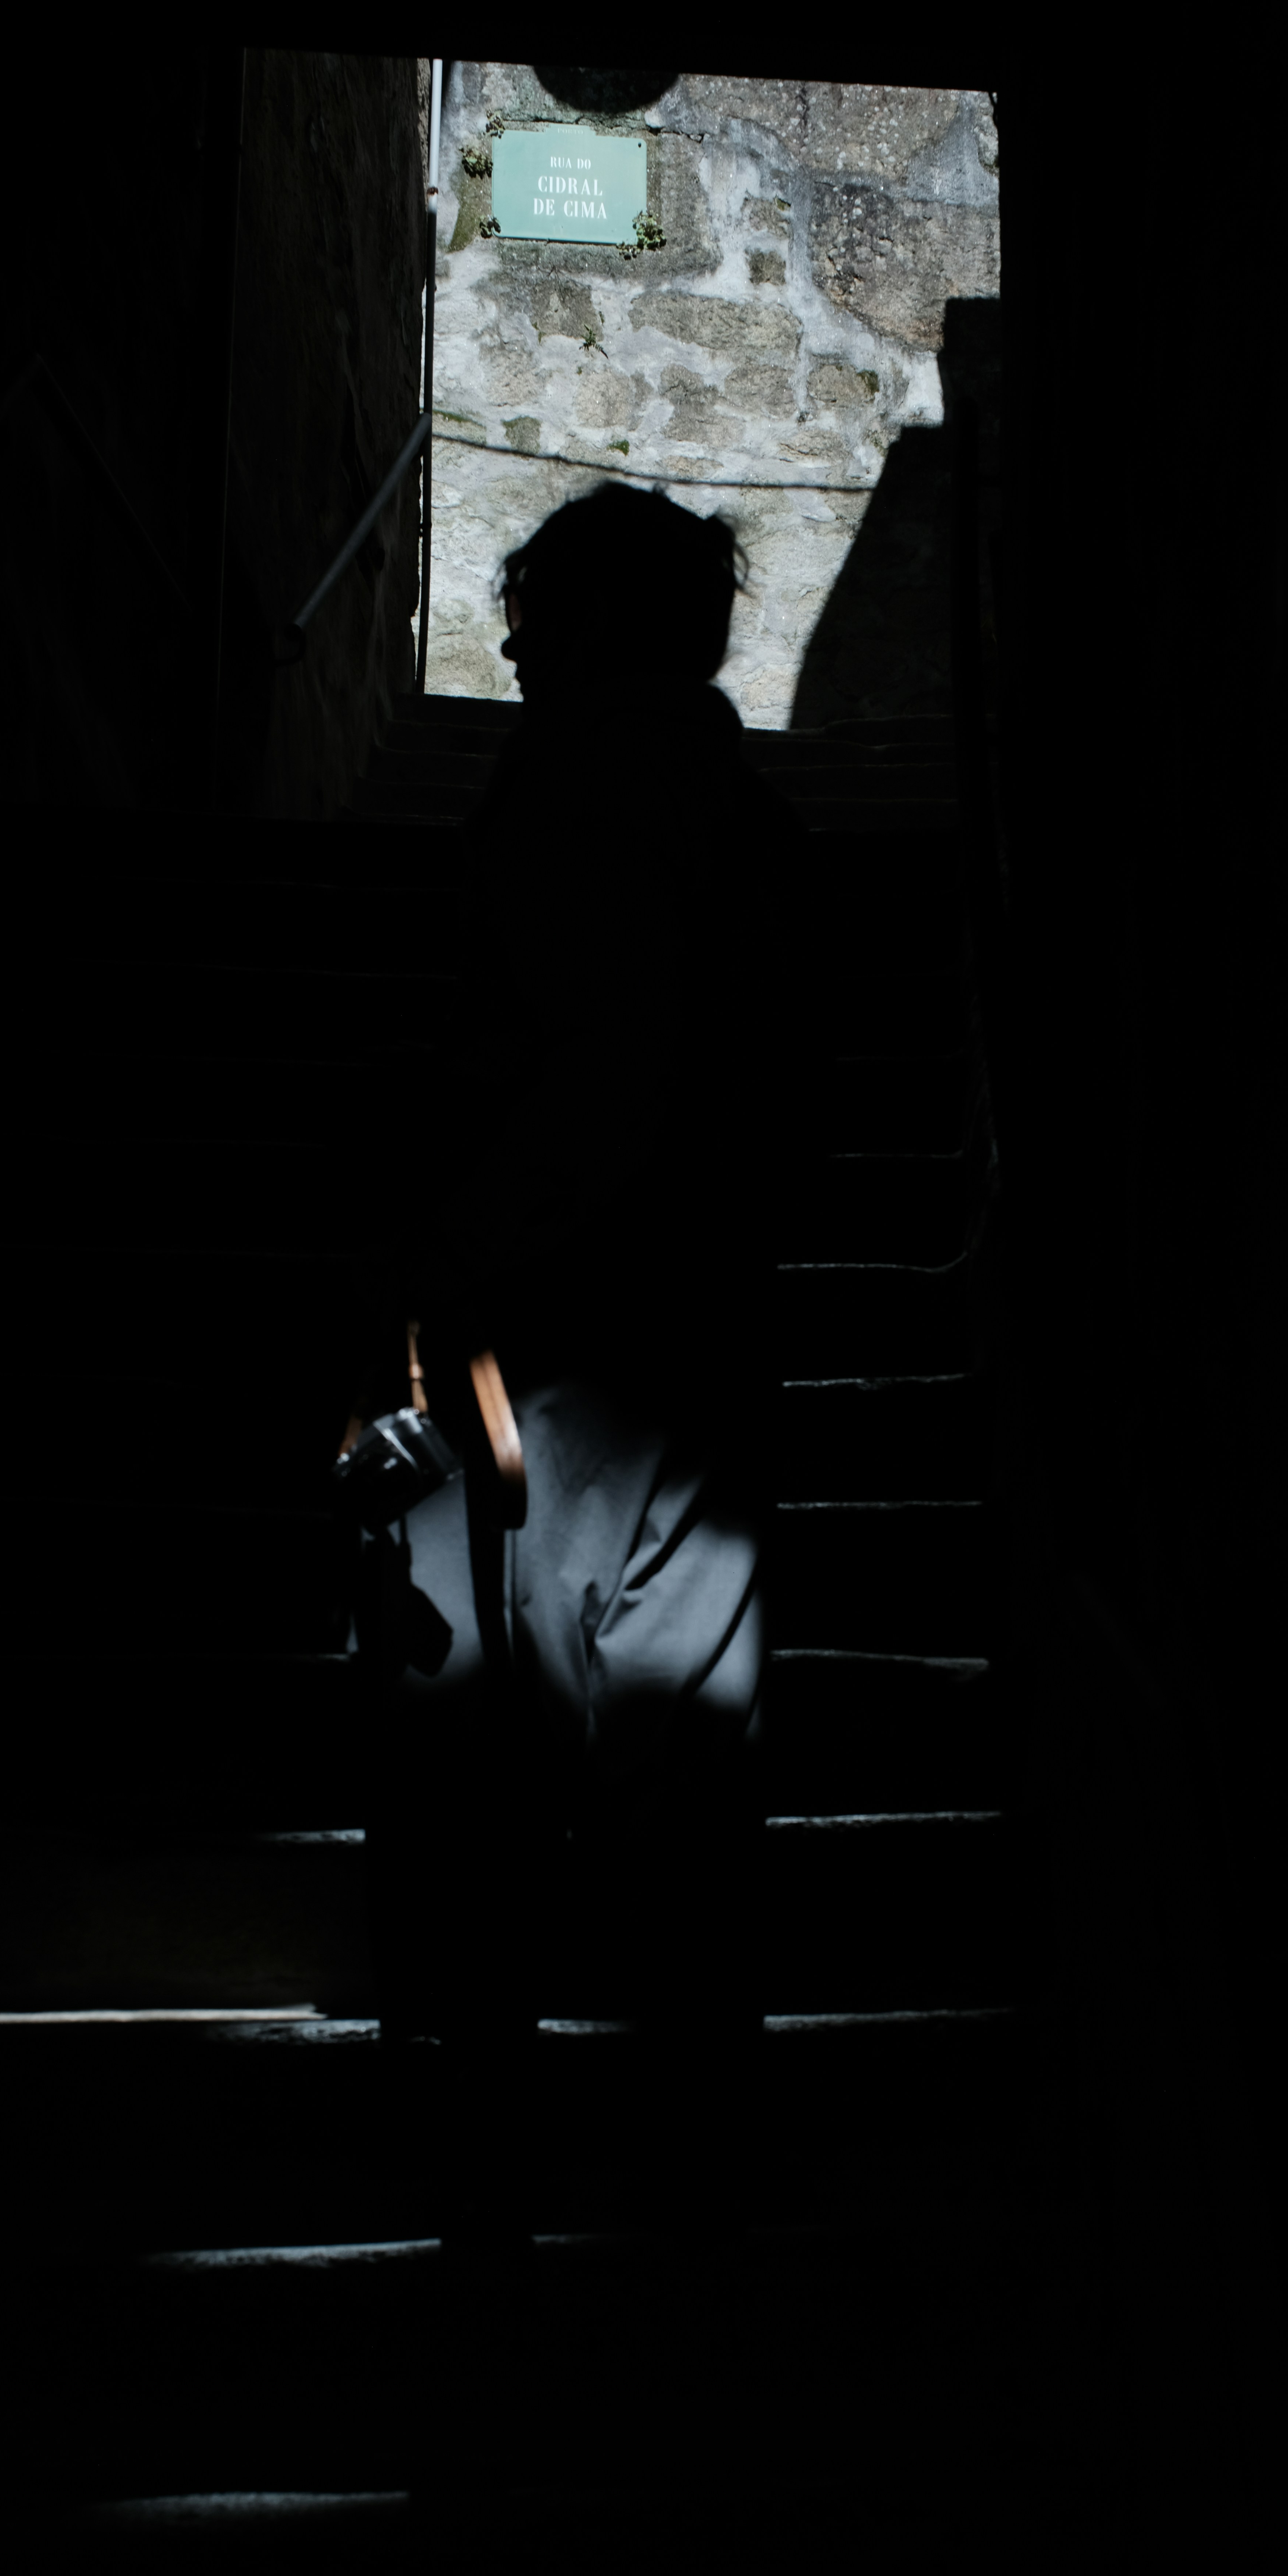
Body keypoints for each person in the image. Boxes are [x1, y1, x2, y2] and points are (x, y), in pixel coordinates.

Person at [350, 483, 811, 2249]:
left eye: (536, 610)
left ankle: (491, 2154)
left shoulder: (585, 788)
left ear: (595, 625)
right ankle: (698, 2163)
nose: (517, 639)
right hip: (704, 1332)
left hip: (557, 1340)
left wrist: (454, 1252)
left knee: (480, 1749)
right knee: (682, 1755)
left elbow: (603, 1057)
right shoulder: (747, 817)